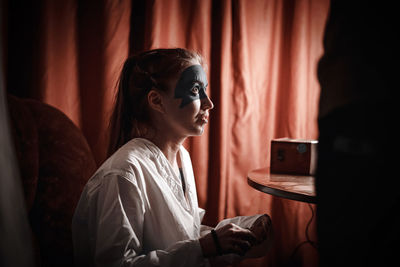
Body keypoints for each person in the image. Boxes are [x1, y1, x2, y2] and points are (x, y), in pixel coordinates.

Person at [72, 48, 272, 267]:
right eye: (196, 90)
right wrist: (206, 247)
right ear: (157, 101)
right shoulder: (123, 173)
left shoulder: (182, 158)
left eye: (205, 90)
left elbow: (181, 236)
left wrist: (239, 232)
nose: (209, 103)